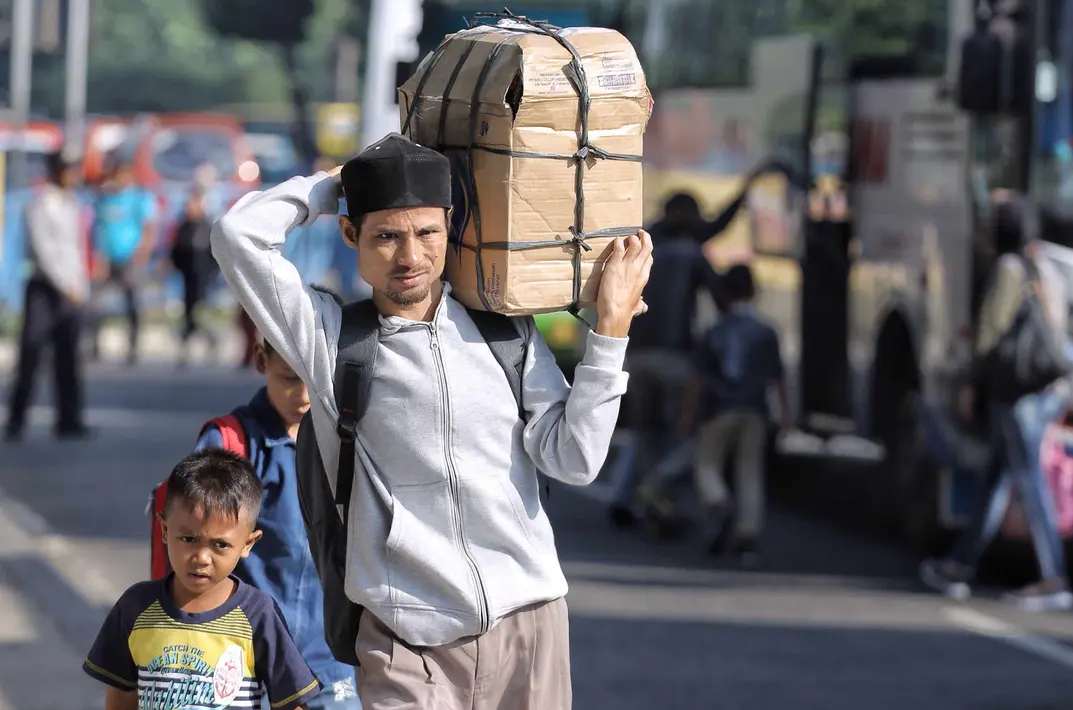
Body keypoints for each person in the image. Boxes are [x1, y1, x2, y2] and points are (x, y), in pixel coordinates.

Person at [210, 133, 652, 709]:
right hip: (404, 640)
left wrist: (609, 333)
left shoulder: (503, 332)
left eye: (426, 233)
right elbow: (236, 235)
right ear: (351, 234)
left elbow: (574, 458)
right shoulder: (331, 339)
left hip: (529, 625)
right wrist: (333, 184)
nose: (410, 257)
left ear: (450, 226)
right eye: (386, 236)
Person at [194, 287, 360, 709]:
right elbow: (197, 559)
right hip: (243, 663)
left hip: (333, 665)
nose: (304, 395)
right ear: (262, 360)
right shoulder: (231, 445)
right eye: (289, 378)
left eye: (315, 378)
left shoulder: (357, 442)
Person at [919, 198, 1073, 612]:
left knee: (1029, 481)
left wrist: (973, 385)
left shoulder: (1009, 270)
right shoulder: (1049, 270)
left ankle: (1053, 577)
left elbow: (990, 334)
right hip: (1047, 388)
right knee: (997, 478)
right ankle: (958, 565)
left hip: (1018, 392)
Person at [83, 449, 322, 710]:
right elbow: (121, 694)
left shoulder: (257, 614)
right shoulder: (135, 607)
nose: (201, 557)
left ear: (247, 544)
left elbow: (292, 702)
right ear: (164, 529)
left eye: (220, 544)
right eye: (188, 539)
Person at [610, 168, 764, 529]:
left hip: (634, 354)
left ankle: (628, 499)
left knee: (644, 433)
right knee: (686, 434)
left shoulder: (641, 243)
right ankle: (658, 492)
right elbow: (720, 295)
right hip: (675, 357)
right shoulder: (691, 254)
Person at [678, 264, 790, 568]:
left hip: (719, 408)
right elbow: (777, 377)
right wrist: (786, 415)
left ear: (723, 293)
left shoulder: (713, 332)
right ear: (754, 292)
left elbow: (697, 380)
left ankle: (718, 501)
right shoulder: (766, 331)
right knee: (750, 471)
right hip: (754, 409)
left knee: (707, 463)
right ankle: (748, 535)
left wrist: (688, 416)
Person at [5, 151, 88, 442]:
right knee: (31, 354)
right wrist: (67, 285)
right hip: (45, 289)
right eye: (68, 170)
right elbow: (43, 251)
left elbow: (75, 250)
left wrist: (80, 285)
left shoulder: (72, 204)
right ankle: (17, 419)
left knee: (68, 357)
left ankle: (69, 419)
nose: (73, 175)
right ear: (55, 171)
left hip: (71, 291)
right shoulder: (40, 205)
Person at [88, 155, 158, 364]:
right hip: (108, 258)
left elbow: (148, 226)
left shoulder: (137, 198)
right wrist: (99, 256)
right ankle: (95, 345)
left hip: (129, 257)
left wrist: (142, 252)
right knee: (96, 304)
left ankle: (133, 347)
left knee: (132, 303)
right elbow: (98, 229)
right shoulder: (104, 199)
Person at [171, 173, 221, 367]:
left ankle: (211, 343)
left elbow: (214, 254)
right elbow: (176, 251)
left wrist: (211, 273)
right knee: (188, 315)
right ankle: (184, 351)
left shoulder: (208, 227)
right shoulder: (184, 227)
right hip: (187, 278)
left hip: (204, 279)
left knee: (202, 314)